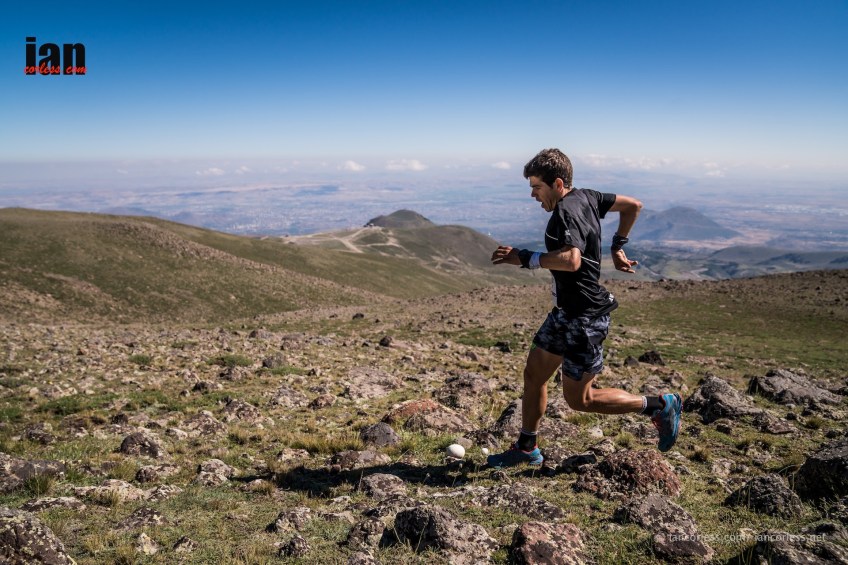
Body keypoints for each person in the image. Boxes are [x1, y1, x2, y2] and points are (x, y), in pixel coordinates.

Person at [487, 148, 682, 468]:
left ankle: (659, 406)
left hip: (584, 318)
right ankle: (526, 448)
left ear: (557, 183)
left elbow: (571, 260)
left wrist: (523, 257)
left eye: (537, 187)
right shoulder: (588, 196)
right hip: (564, 313)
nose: (533, 195)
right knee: (534, 374)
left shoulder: (566, 211)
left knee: (581, 399)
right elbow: (633, 205)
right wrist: (618, 246)